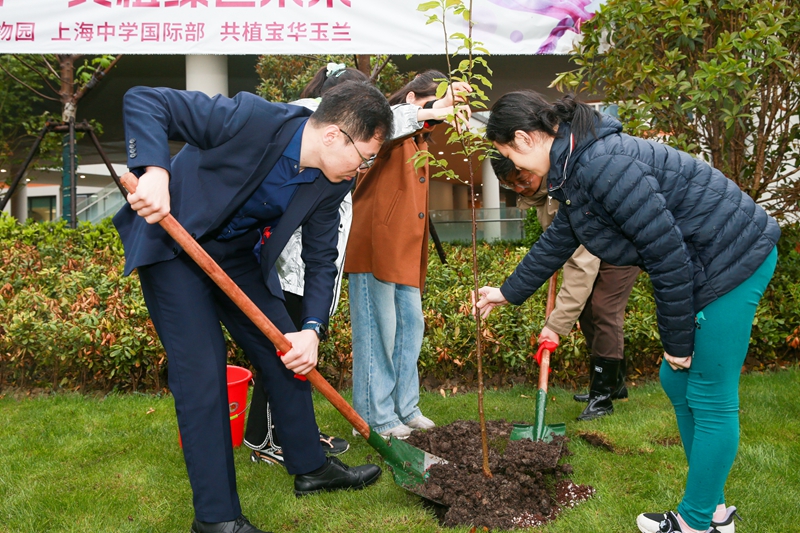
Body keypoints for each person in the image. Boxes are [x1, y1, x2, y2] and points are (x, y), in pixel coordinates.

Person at [475, 90, 779, 533]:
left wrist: (678, 342)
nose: (517, 170)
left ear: (523, 139)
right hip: (707, 258)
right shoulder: (577, 163)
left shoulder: (601, 163)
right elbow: (563, 234)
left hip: (734, 258)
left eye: (510, 158)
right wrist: (508, 291)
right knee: (676, 379)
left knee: (710, 396)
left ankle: (696, 523)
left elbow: (667, 255)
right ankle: (713, 511)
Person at [114, 81, 393, 533]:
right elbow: (145, 99)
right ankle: (217, 519)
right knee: (203, 374)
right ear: (332, 136)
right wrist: (155, 173)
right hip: (171, 246)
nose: (362, 169)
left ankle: (311, 469)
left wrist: (312, 328)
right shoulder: (251, 118)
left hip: (233, 257)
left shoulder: (330, 182)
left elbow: (321, 258)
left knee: (285, 351)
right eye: (363, 157)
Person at [243, 63, 369, 467]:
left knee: (297, 353)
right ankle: (264, 439)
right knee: (281, 355)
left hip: (315, 272)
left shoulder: (340, 163)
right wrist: (427, 109)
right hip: (291, 271)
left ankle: (288, 431)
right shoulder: (306, 127)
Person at [345, 71, 471, 439]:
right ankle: (373, 417)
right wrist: (430, 110)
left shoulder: (420, 142)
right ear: (414, 99)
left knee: (409, 328)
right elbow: (391, 116)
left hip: (404, 251)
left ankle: (405, 407)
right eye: (436, 102)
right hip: (375, 248)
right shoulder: (385, 128)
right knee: (378, 331)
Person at [490, 155, 639, 420]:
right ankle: (612, 385)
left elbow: (581, 263)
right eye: (511, 186)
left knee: (604, 309)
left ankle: (602, 398)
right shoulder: (543, 193)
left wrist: (556, 326)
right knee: (588, 311)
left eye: (523, 180)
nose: (520, 189)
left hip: (622, 245)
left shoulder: (565, 186)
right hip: (598, 246)